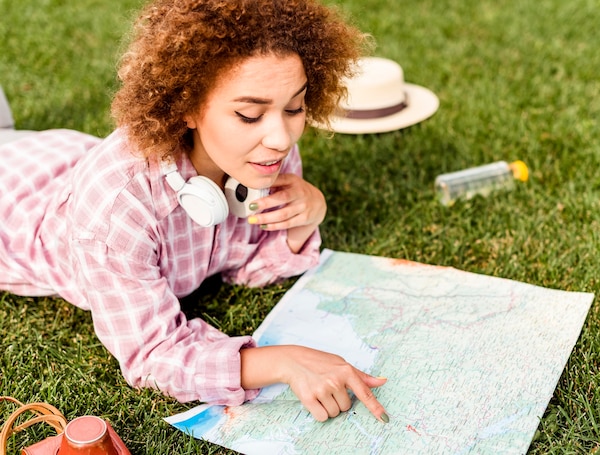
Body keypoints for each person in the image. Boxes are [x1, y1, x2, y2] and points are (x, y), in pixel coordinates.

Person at [0, 0, 389, 423]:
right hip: (15, 198)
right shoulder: (115, 211)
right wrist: (283, 361)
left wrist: (306, 217)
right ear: (186, 105)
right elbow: (153, 354)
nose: (280, 138)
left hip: (58, 154)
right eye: (249, 114)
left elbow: (249, 261)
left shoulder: (262, 156)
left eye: (294, 107)